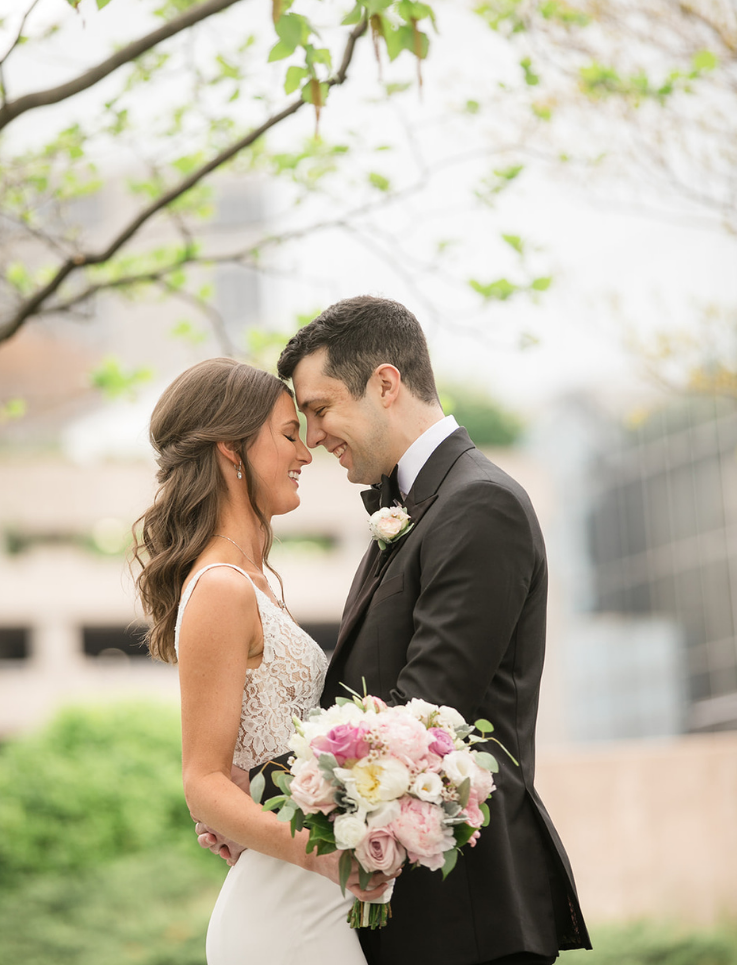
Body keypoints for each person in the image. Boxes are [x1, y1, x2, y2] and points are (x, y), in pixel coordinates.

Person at [194, 296, 590, 964]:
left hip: (466, 915)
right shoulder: (414, 511)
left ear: (385, 383)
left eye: (319, 410)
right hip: (402, 908)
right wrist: (257, 802)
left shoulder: (479, 504)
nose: (313, 438)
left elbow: (424, 716)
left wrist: (266, 803)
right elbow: (360, 709)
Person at [134, 357, 390, 965]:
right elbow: (201, 781)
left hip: (309, 899)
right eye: (287, 433)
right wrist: (323, 852)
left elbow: (240, 772)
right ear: (231, 448)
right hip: (285, 912)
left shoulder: (254, 583)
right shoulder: (222, 588)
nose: (307, 453)